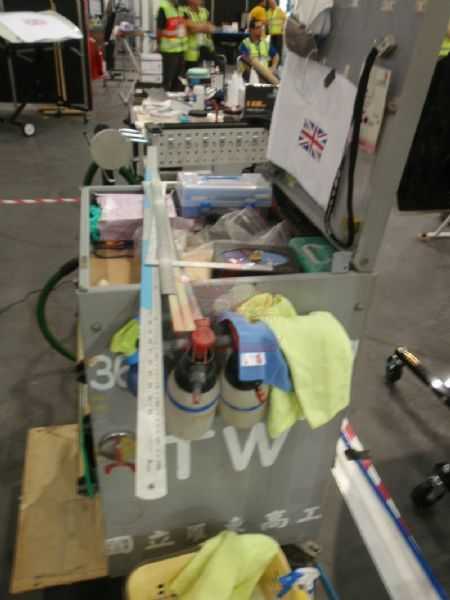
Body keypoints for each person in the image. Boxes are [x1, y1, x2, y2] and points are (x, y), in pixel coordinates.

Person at [157, 0, 187, 91]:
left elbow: (186, 23)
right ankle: (164, 97)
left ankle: (176, 98)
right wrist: (175, 33)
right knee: (167, 79)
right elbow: (159, 31)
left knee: (179, 80)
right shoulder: (164, 8)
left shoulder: (181, 7)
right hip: (169, 51)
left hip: (181, 49)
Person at [180, 0, 216, 70]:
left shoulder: (204, 11)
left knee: (216, 70)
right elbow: (187, 29)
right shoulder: (184, 11)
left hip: (207, 50)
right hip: (190, 54)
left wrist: (195, 27)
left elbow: (211, 28)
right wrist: (204, 27)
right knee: (192, 74)